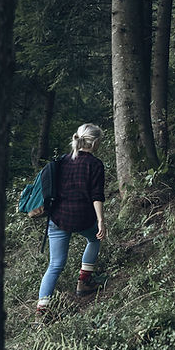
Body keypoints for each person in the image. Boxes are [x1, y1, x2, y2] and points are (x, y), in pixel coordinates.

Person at [36, 123, 107, 320]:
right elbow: (96, 195)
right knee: (94, 239)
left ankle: (42, 312)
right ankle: (84, 282)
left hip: (58, 218)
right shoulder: (95, 164)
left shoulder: (61, 161)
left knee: (55, 264)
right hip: (82, 218)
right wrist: (100, 220)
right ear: (94, 143)